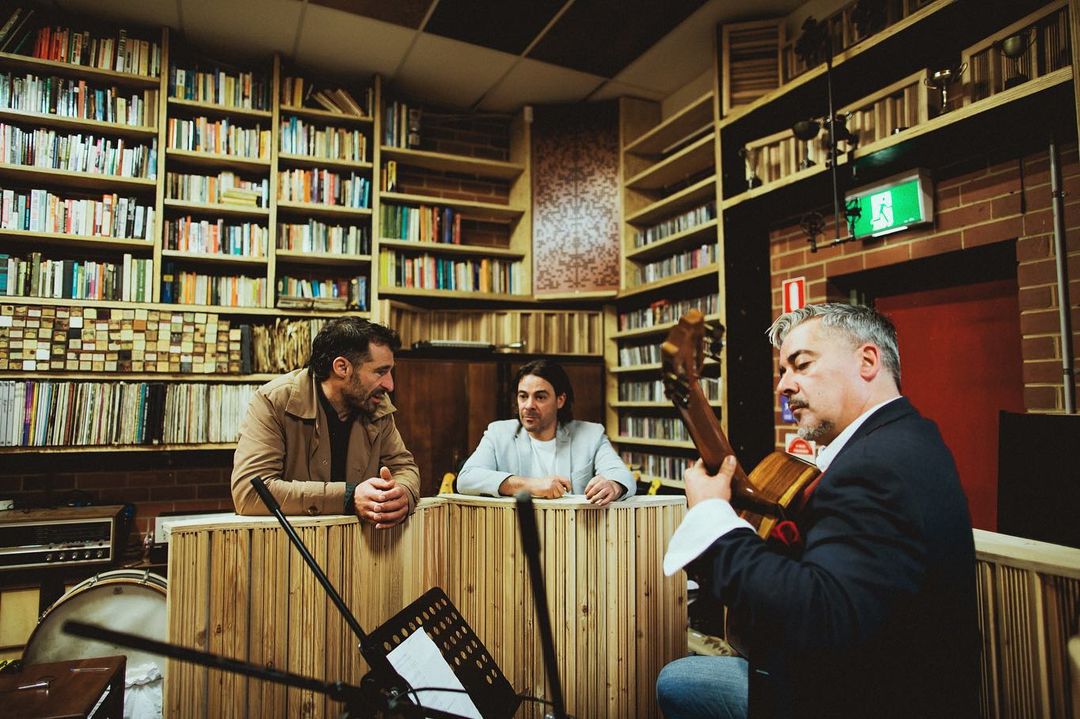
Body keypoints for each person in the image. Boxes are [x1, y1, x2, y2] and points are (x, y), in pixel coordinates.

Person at [656, 303, 978, 718]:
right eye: (782, 371)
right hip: (868, 677)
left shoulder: (873, 466)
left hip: (869, 697)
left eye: (801, 364)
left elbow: (820, 614)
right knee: (683, 678)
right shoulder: (908, 436)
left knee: (676, 680)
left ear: (867, 362)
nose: (783, 386)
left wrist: (710, 514)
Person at [231, 317, 419, 527]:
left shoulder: (377, 404)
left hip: (360, 544)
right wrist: (348, 498)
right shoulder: (274, 401)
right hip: (290, 543)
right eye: (380, 372)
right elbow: (249, 493)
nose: (390, 385)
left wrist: (402, 494)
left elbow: (404, 468)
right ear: (342, 367)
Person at [457, 358, 635, 505]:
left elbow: (623, 476)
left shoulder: (591, 435)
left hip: (575, 531)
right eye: (523, 396)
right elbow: (466, 479)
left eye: (540, 397)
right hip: (515, 531)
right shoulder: (498, 433)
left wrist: (613, 485)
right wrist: (531, 485)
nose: (529, 405)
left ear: (560, 400)